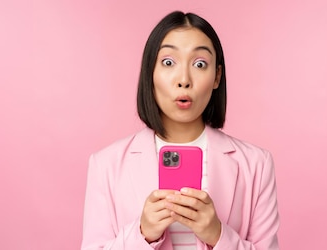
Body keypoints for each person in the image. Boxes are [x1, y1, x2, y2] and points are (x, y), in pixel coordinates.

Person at [81, 11, 279, 250]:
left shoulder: (257, 164)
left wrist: (218, 235)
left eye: (199, 64)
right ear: (150, 72)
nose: (184, 79)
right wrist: (142, 234)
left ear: (216, 76)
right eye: (168, 62)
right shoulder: (106, 165)